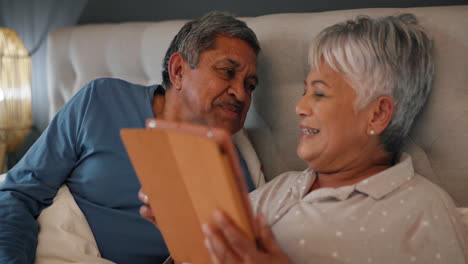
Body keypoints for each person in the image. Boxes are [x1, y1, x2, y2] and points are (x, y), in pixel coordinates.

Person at [142, 14, 468, 263]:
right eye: (304, 91)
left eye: (320, 94)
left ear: (377, 114)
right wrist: (186, 235)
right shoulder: (278, 189)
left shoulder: (423, 213)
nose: (299, 107)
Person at [0, 11, 261, 264]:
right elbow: (19, 193)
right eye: (227, 72)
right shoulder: (100, 101)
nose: (240, 93)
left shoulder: (235, 173)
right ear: (179, 70)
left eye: (250, 85)